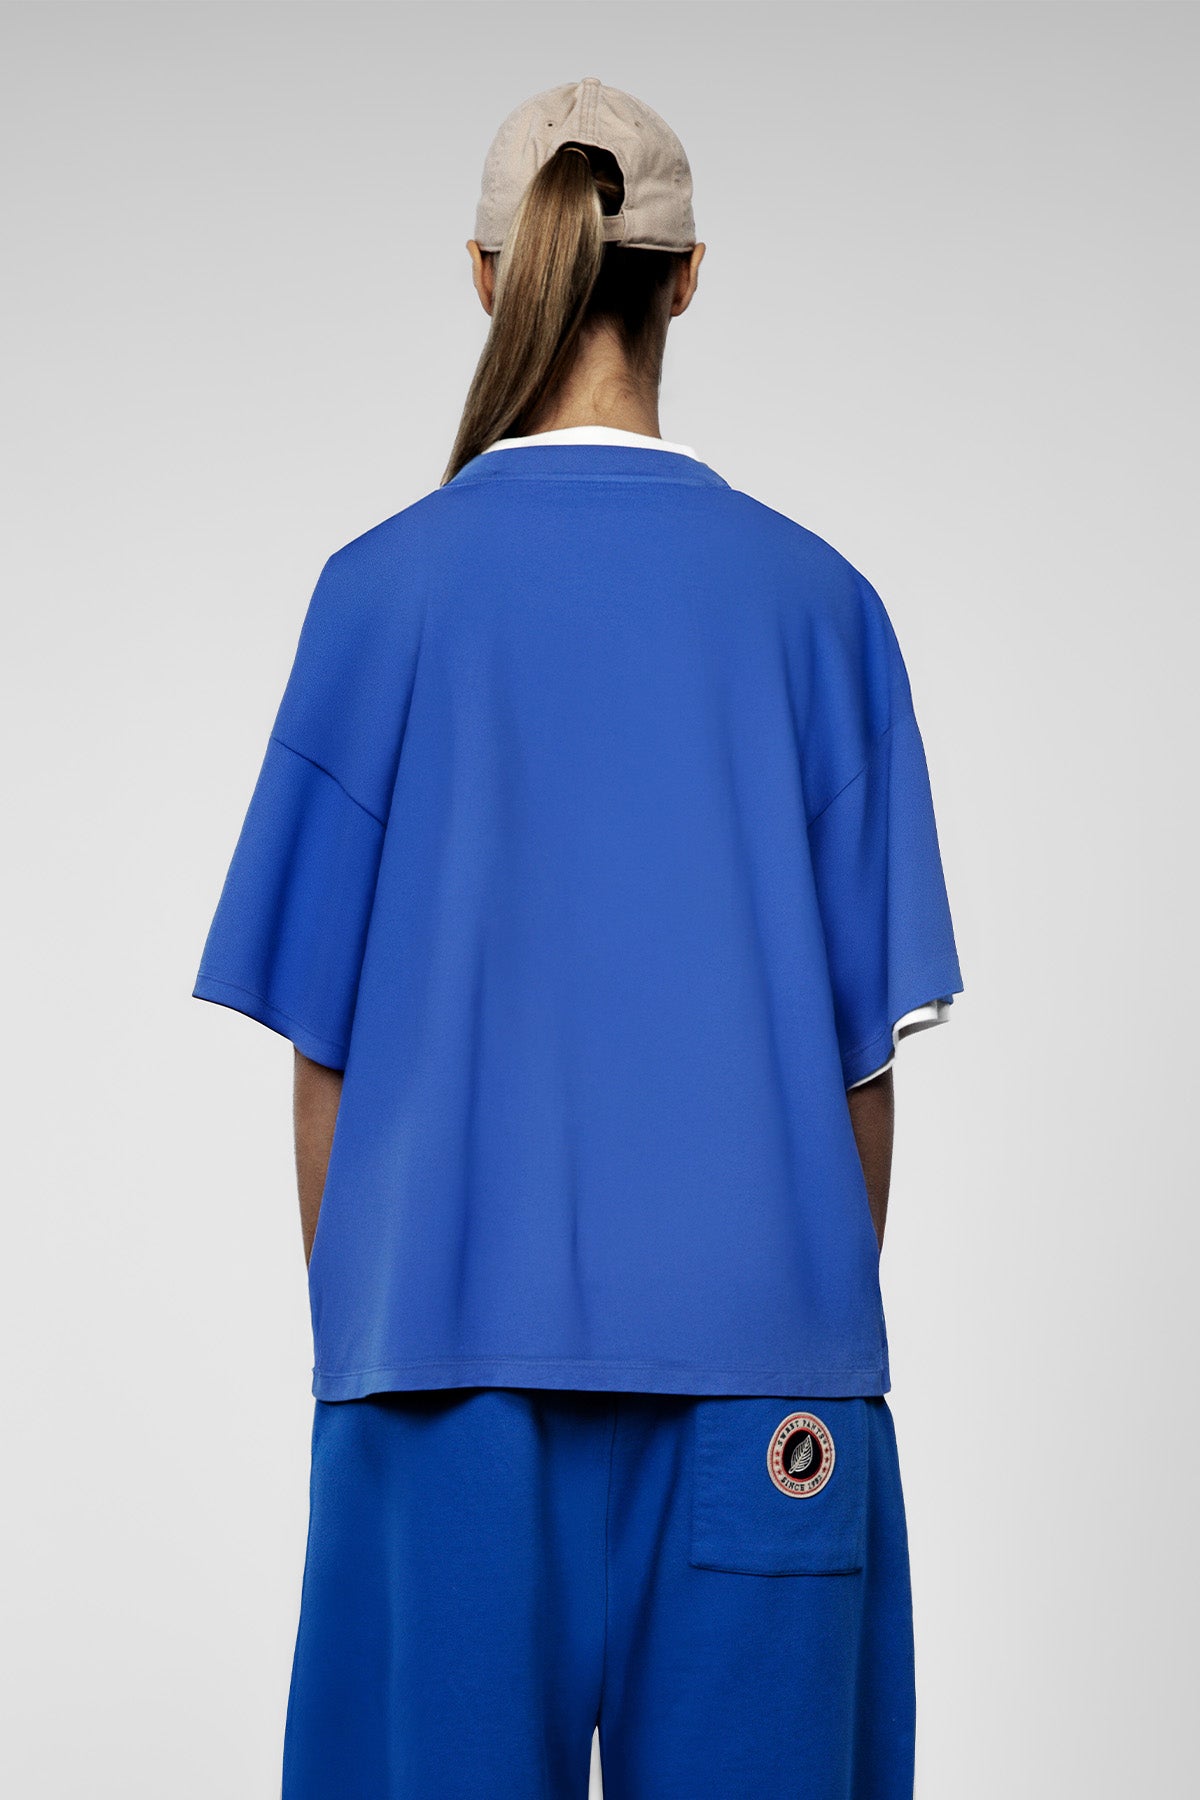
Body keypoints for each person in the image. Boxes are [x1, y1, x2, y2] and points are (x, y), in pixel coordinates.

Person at [194, 76, 962, 1800]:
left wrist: (390, 1344)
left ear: (487, 273)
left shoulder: (380, 596)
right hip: (767, 1388)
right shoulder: (822, 611)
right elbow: (864, 1073)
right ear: (688, 278)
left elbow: (324, 1064)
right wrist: (777, 1327)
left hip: (439, 1379)